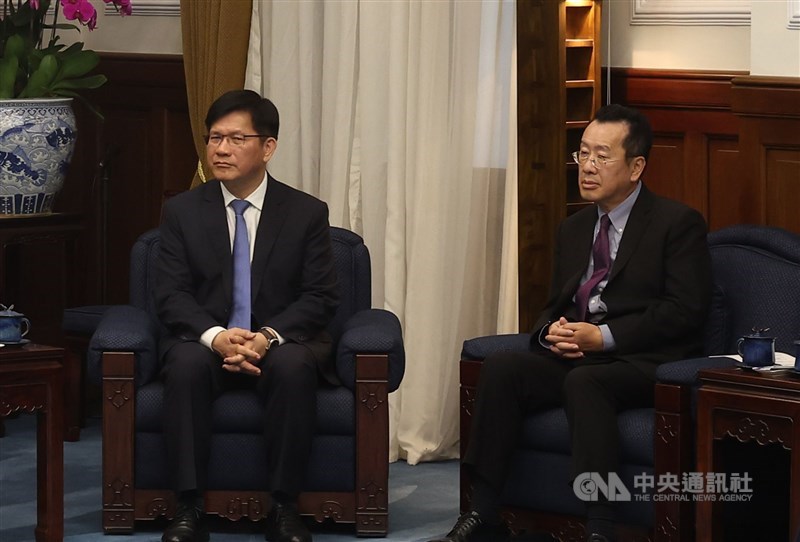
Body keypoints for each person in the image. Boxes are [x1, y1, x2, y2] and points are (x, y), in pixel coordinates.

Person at [432, 104, 712, 542]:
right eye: (582, 154)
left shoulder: (676, 224)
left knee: (587, 384)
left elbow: (684, 310)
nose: (587, 167)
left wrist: (603, 336)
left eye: (602, 156)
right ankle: (483, 511)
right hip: (579, 354)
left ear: (637, 166)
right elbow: (556, 304)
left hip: (642, 361)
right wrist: (550, 333)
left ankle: (599, 526)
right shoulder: (575, 227)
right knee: (503, 368)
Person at [155, 89, 339, 542]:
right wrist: (216, 337)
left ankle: (284, 506)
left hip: (276, 342)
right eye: (215, 138)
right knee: (184, 363)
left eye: (237, 138)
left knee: (296, 365)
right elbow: (170, 295)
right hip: (207, 342)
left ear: (268, 147)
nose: (220, 149)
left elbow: (320, 296)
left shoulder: (305, 213)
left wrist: (266, 338)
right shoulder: (181, 211)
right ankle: (188, 506)